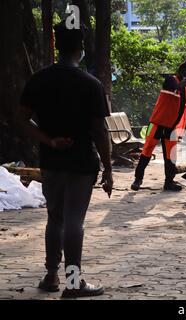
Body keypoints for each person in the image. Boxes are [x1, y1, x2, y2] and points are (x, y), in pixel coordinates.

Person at [17, 21, 113, 298]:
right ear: (80, 49)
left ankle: (51, 276)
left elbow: (21, 119)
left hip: (51, 161)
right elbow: (99, 130)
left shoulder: (39, 79)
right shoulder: (90, 84)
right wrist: (108, 168)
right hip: (81, 163)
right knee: (74, 222)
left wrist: (49, 141)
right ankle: (73, 283)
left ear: (58, 46)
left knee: (54, 219)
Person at [131, 59, 186, 192]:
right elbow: (178, 87)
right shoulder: (170, 80)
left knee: (171, 156)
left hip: (172, 127)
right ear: (183, 72)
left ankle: (169, 182)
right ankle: (138, 179)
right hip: (157, 123)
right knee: (147, 151)